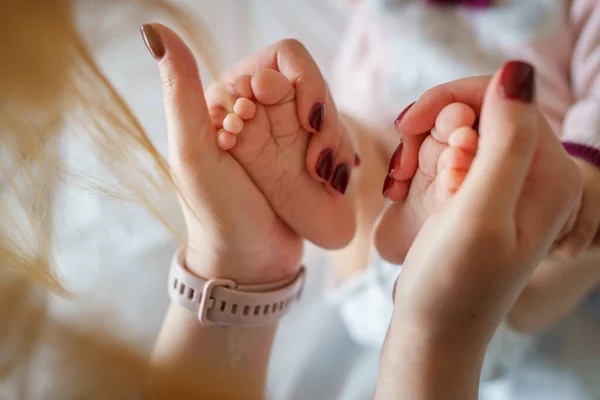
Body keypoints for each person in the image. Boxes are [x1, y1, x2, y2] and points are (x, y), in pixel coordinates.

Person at [138, 23, 581, 398]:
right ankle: (350, 193)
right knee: (354, 145)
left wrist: (588, 185)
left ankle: (402, 204)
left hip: (527, 203)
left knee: (568, 236)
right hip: (393, 164)